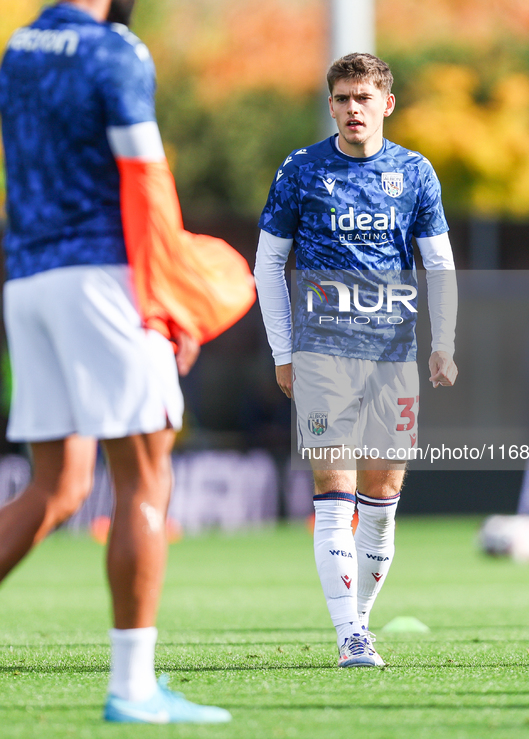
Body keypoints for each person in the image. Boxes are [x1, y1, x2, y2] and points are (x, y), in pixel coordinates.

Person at [0, 0, 232, 723]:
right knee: (144, 478)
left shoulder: (17, 48)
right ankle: (133, 690)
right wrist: (171, 297)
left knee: (58, 486)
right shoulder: (115, 52)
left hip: (27, 280)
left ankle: (135, 686)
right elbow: (147, 182)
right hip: (103, 279)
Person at [255, 53, 458, 667]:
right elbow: (267, 264)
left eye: (363, 98)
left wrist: (442, 342)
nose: (352, 110)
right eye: (341, 99)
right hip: (322, 353)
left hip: (393, 354)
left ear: (385, 104)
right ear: (331, 104)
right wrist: (283, 351)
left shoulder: (415, 173)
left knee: (383, 493)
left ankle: (358, 620)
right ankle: (350, 638)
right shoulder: (301, 170)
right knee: (333, 488)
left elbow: (440, 264)